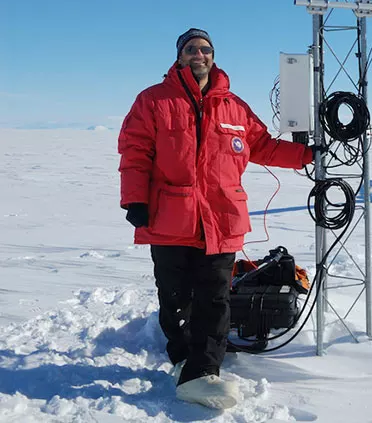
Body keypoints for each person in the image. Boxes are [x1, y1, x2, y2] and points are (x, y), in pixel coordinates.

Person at [118, 28, 313, 409]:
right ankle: (181, 360)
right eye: (191, 49)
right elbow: (134, 150)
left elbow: (262, 146)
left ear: (213, 56)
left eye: (205, 49)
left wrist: (305, 156)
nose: (199, 54)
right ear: (179, 56)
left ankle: (204, 371)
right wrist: (134, 200)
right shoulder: (153, 101)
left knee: (215, 298)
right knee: (175, 297)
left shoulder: (233, 106)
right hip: (170, 217)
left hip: (220, 219)